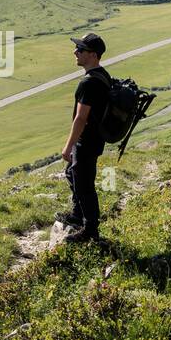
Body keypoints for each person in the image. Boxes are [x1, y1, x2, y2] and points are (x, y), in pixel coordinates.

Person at [59, 33, 111, 243]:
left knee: (84, 185)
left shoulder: (89, 83)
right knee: (73, 174)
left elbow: (81, 118)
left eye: (80, 49)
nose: (75, 52)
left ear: (93, 55)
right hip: (96, 139)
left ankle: (90, 231)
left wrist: (68, 147)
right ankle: (77, 215)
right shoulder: (103, 76)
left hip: (86, 141)